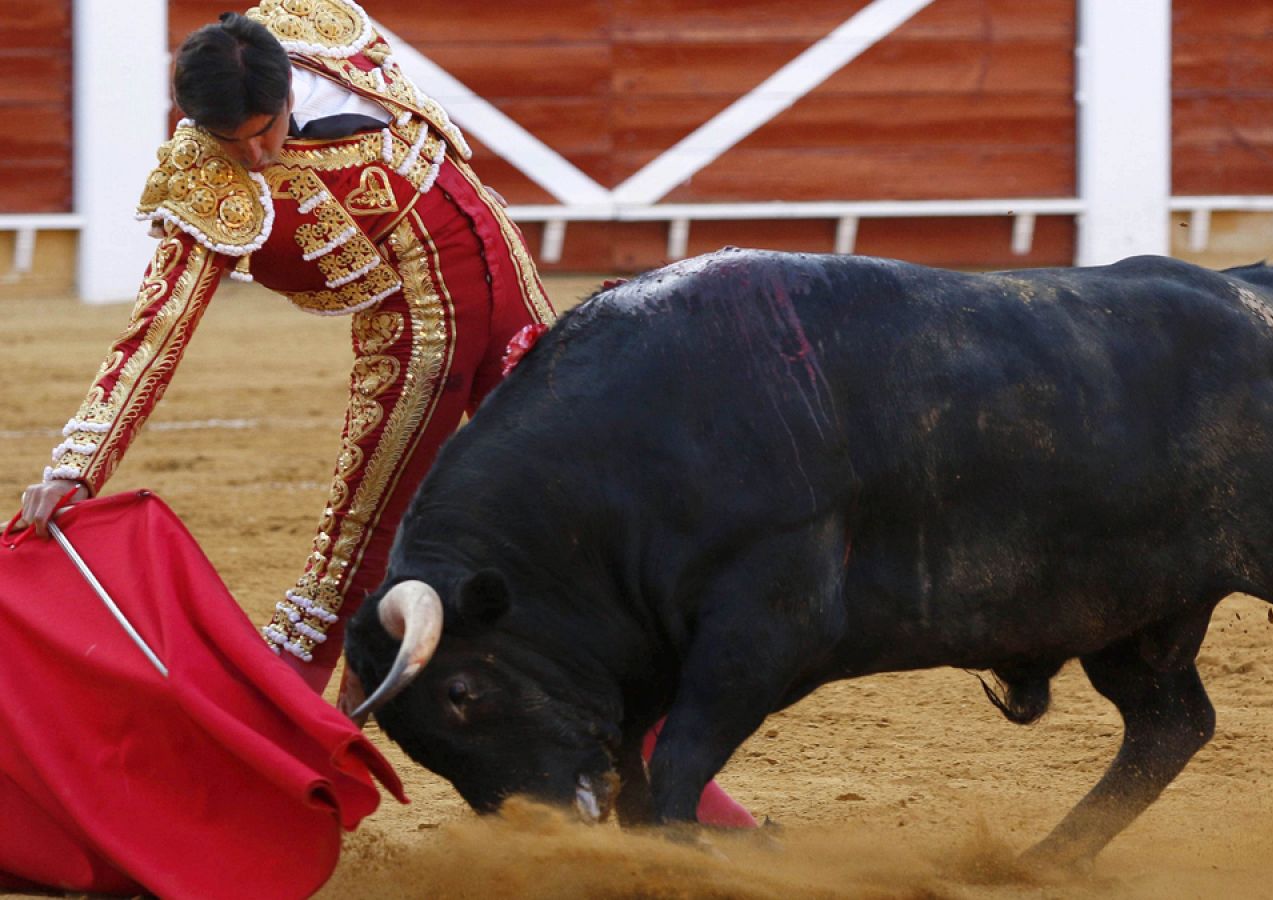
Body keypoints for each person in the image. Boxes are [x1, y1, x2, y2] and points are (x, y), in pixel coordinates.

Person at [18, 1, 756, 827]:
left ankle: (687, 802)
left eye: (268, 129)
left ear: (286, 87)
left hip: (506, 282)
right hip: (415, 347)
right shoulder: (204, 180)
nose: (260, 154)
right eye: (237, 141)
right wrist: (76, 464)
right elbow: (158, 328)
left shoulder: (318, 25)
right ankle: (266, 806)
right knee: (345, 568)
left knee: (591, 541)